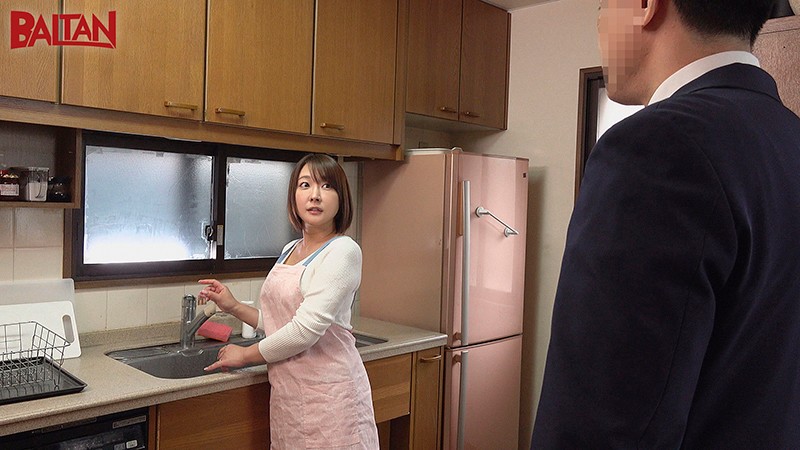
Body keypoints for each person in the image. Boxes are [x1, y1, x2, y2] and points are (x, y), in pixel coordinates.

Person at [532, 0, 800, 448]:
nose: (599, 24)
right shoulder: (788, 139)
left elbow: (597, 429)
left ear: (644, 6)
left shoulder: (654, 146)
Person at [198, 153, 379, 449]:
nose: (315, 195)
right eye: (305, 185)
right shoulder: (290, 250)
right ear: (294, 196)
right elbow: (280, 323)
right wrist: (233, 306)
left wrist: (245, 356)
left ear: (341, 198)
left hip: (332, 399)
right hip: (290, 399)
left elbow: (304, 331)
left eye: (326, 186)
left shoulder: (343, 251)